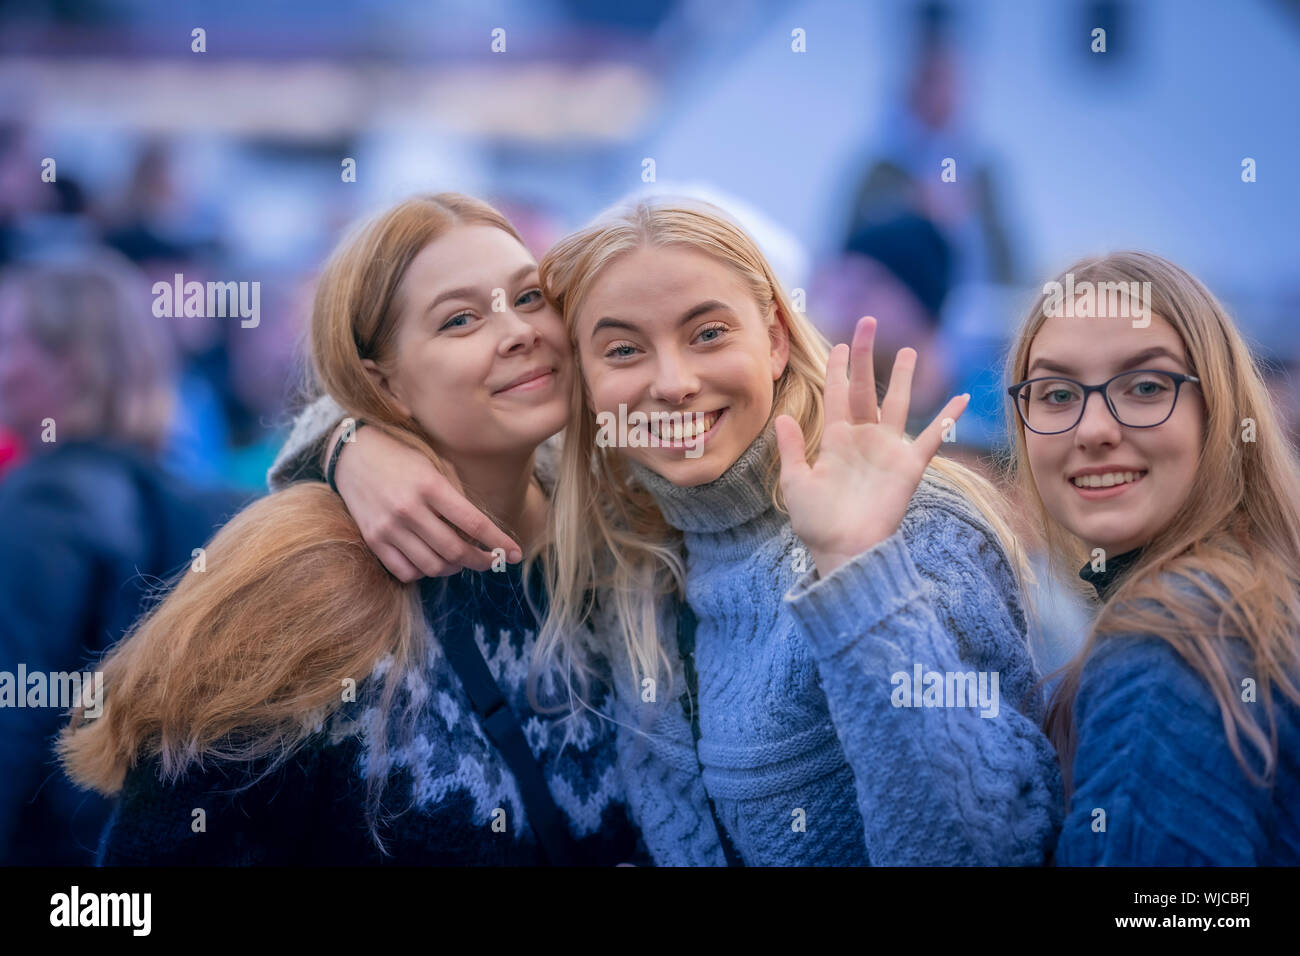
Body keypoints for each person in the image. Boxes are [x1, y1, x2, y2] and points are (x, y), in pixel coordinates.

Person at [322, 197, 1063, 865]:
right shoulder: (626, 534)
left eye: (708, 333)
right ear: (577, 375)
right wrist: (349, 444)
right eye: (622, 350)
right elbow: (427, 404)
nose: (672, 381)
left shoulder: (917, 528)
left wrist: (859, 574)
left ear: (773, 337)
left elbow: (991, 845)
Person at [59, 194, 642, 865]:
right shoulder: (304, 577)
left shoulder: (625, 545)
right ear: (383, 384)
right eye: (459, 319)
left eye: (530, 296)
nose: (517, 332)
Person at [1004, 251, 1300, 864]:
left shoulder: (1174, 638)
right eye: (1057, 393)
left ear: (1216, 409)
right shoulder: (1252, 596)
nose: (1093, 429)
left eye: (1145, 387)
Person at [0, 252, 242, 864]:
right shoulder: (191, 500)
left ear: (72, 365)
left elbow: (10, 712)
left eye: (9, 343)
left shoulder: (42, 503)